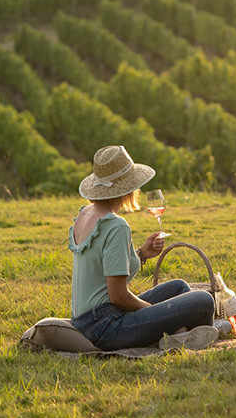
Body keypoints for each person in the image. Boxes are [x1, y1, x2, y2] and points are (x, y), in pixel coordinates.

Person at [70, 145, 216, 350]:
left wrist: (140, 254)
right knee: (203, 300)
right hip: (106, 327)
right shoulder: (116, 225)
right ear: (128, 187)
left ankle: (181, 336)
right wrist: (152, 310)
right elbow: (118, 296)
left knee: (179, 287)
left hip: (84, 320)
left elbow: (101, 267)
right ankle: (194, 337)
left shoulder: (85, 213)